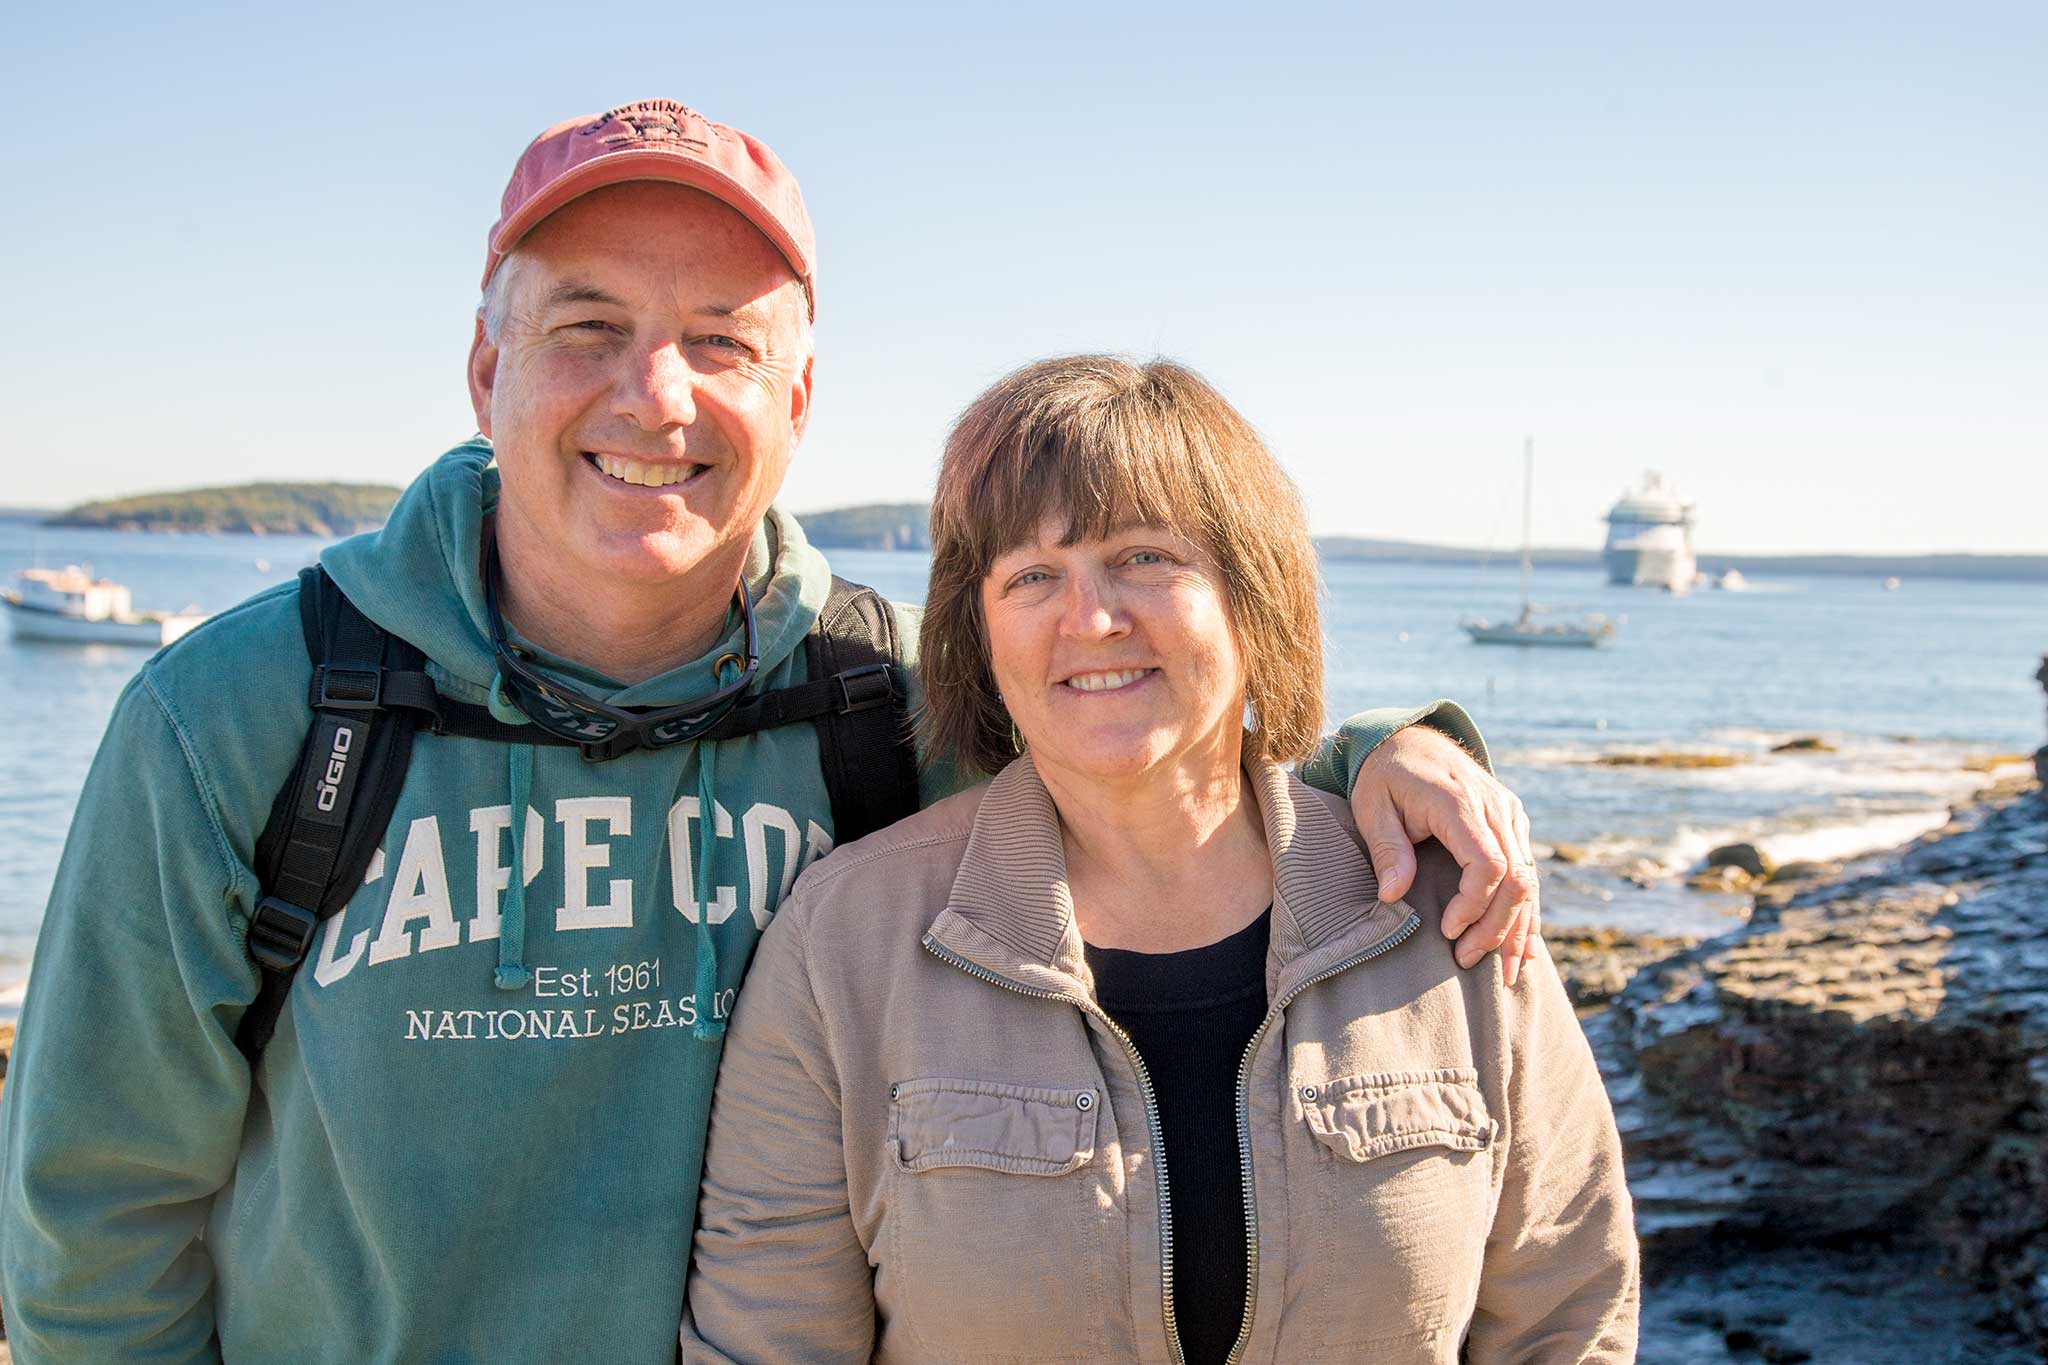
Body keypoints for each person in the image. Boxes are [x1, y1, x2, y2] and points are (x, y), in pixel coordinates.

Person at [0, 103, 1540, 1361]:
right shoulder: (244, 719)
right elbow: (93, 1220)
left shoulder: (889, 702)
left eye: (722, 341)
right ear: (487, 372)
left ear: (800, 397)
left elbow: (1160, 762)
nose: (653, 395)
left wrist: (1381, 754)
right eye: (586, 325)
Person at [680, 357, 1636, 1364]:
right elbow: (763, 1345)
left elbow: (1568, 1317)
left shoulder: (1449, 911)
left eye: (1142, 558)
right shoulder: (843, 945)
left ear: (1251, 595)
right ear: (981, 631)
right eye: (1031, 576)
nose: (1088, 619)